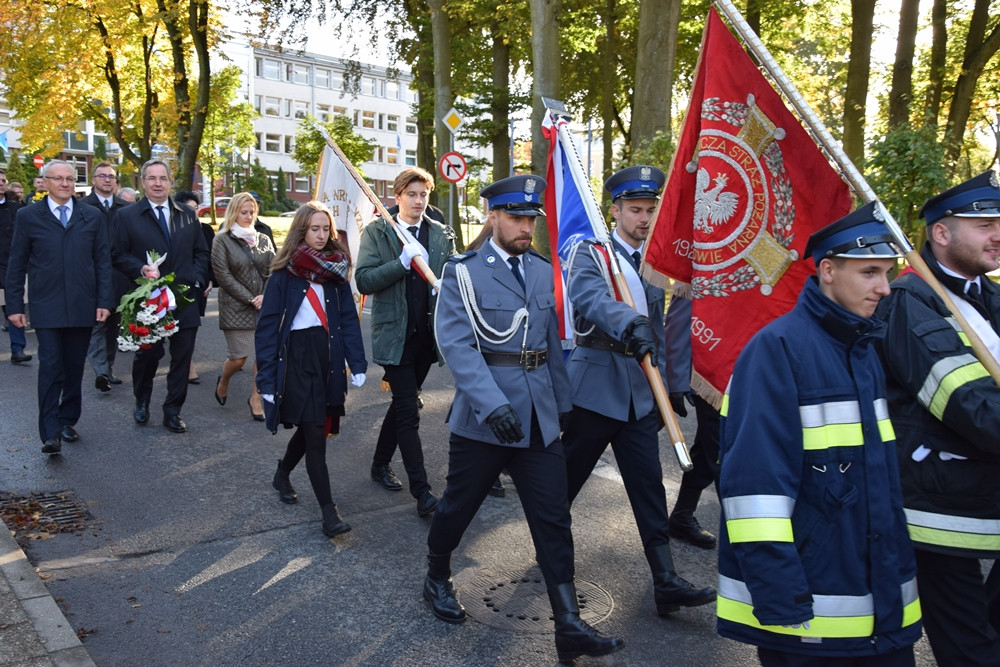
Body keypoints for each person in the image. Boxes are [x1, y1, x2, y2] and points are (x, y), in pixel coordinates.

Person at [424, 174, 624, 664]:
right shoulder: (463, 272)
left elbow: (549, 344)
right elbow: (456, 344)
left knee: (553, 517)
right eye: (515, 217)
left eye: (530, 218)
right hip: (484, 417)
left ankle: (568, 624)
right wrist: (492, 406)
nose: (524, 226)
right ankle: (436, 574)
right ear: (492, 215)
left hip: (538, 416)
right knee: (459, 505)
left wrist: (564, 404)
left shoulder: (541, 270)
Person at [717, 203, 921, 665]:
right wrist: (780, 594)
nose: (884, 288)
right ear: (828, 270)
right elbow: (754, 489)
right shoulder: (777, 350)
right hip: (807, 611)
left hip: (881, 609)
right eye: (870, 272)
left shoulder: (863, 345)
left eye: (887, 273)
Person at [561, 165, 716, 617]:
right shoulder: (591, 253)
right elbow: (588, 298)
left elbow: (665, 328)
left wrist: (671, 385)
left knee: (649, 489)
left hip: (640, 394)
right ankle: (551, 554)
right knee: (565, 483)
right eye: (635, 210)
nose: (644, 218)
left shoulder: (657, 259)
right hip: (595, 389)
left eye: (650, 210)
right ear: (616, 210)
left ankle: (665, 580)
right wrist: (630, 323)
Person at [875, 171, 1000, 666]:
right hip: (941, 512)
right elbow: (975, 409)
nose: (997, 233)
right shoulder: (911, 300)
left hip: (982, 499)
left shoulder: (988, 295)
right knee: (972, 652)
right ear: (941, 233)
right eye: (984, 224)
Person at [255, 201, 367, 537]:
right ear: (301, 230)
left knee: (311, 429)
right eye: (314, 229)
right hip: (295, 360)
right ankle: (328, 513)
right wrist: (264, 378)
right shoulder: (283, 275)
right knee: (316, 434)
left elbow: (348, 319)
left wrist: (356, 361)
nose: (320, 236)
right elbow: (267, 328)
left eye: (325, 229)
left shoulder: (335, 274)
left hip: (327, 360)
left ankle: (282, 472)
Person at [356, 167, 456, 515]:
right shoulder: (379, 232)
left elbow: (453, 275)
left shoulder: (441, 234)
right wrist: (401, 263)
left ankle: (380, 463)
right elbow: (364, 280)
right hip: (395, 337)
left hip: (428, 340)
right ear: (397, 196)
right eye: (411, 194)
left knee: (402, 405)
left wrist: (450, 283)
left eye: (423, 195)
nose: (417, 201)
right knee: (408, 411)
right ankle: (423, 493)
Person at [5, 160, 113, 454]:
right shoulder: (29, 216)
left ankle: (67, 419)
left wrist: (104, 300)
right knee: (51, 367)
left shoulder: (91, 216)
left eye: (70, 179)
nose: (65, 184)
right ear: (46, 182)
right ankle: (50, 431)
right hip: (47, 305)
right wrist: (14, 305)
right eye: (58, 179)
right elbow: (17, 263)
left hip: (82, 304)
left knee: (74, 367)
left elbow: (102, 261)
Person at [112, 159, 210, 434]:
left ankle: (173, 410)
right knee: (148, 356)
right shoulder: (128, 216)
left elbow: (201, 252)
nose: (157, 183)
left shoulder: (187, 215)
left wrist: (197, 277)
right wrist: (139, 269)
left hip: (184, 299)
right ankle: (141, 400)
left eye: (162, 178)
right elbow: (117, 254)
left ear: (170, 181)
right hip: (148, 300)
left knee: (182, 357)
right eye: (151, 178)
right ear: (142, 182)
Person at [662, 292, 720, 549]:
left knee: (712, 451)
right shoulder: (711, 256)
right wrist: (676, 381)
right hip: (714, 379)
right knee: (717, 452)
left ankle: (682, 515)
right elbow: (679, 320)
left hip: (759, 375)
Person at [212, 193, 275, 421]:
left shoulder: (263, 239)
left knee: (264, 355)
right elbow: (223, 276)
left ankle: (255, 398)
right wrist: (251, 298)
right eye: (244, 212)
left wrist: (265, 296)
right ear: (234, 213)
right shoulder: (222, 240)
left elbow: (273, 270)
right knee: (239, 358)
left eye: (252, 212)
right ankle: (224, 379)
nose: (249, 217)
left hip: (263, 307)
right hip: (236, 307)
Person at [81, 162, 130, 392]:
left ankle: (107, 368)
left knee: (114, 326)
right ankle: (100, 371)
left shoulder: (125, 208)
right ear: (93, 180)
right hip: (93, 276)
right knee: (97, 324)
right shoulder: (82, 207)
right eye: (103, 176)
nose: (108, 180)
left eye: (111, 176)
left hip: (120, 275)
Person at [176, 190, 215, 384]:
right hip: (178, 285)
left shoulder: (206, 230)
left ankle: (183, 355)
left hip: (200, 285)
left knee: (192, 326)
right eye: (188, 208)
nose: (193, 212)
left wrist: (210, 280)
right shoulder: (174, 229)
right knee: (184, 325)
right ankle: (188, 364)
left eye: (196, 208)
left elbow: (209, 257)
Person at [0, 169, 31, 362]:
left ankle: (17, 348)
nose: (1, 183)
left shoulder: (15, 208)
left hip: (8, 264)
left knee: (13, 305)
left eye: (3, 180)